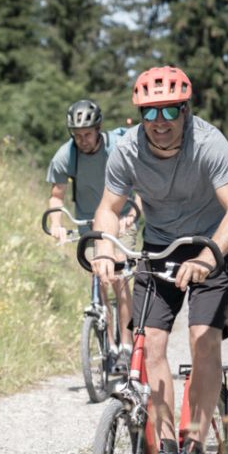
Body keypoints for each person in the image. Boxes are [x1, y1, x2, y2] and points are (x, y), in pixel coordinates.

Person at [90, 66, 228, 454]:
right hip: (159, 247)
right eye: (150, 114)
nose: (159, 124)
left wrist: (208, 258)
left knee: (202, 341)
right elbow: (109, 209)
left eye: (168, 113)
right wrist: (105, 248)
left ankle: (195, 445)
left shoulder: (209, 143)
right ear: (139, 115)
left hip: (210, 247)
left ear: (185, 110)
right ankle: (164, 444)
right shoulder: (127, 150)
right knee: (151, 346)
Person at [46, 99, 138, 369]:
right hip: (90, 225)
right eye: (76, 135)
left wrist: (132, 215)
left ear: (98, 128)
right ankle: (108, 346)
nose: (82, 140)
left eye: (87, 134)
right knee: (100, 279)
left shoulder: (117, 147)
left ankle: (126, 345)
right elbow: (56, 196)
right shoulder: (66, 155)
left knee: (119, 277)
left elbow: (140, 182)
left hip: (121, 219)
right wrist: (56, 224)